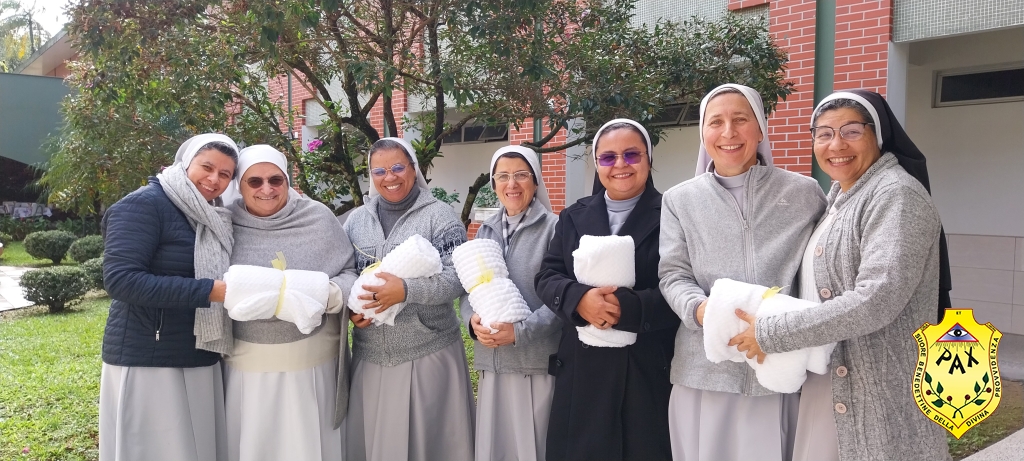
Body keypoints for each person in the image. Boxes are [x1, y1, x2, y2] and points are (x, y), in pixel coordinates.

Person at [729, 90, 952, 461]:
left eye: (851, 131)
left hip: (880, 393)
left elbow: (877, 299)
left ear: (878, 136)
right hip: (834, 381)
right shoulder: (840, 197)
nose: (836, 145)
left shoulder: (895, 195)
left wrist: (772, 333)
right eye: (824, 134)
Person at [658, 83, 827, 461]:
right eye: (715, 122)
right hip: (705, 370)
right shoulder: (680, 199)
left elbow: (817, 272)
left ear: (761, 128)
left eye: (740, 119)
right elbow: (673, 274)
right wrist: (703, 312)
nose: (728, 132)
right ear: (703, 133)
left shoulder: (804, 193)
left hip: (777, 366)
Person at [535, 119, 679, 461]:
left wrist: (626, 309)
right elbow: (547, 275)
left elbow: (683, 285)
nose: (620, 165)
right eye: (608, 157)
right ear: (597, 164)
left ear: (648, 159)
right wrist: (579, 300)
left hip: (645, 368)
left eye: (631, 155)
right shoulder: (573, 215)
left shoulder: (674, 214)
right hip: (582, 369)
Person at [99, 133, 238, 461]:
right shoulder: (145, 204)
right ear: (185, 163)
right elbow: (121, 280)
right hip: (150, 355)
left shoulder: (212, 215)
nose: (214, 179)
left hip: (198, 351)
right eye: (206, 167)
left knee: (196, 450)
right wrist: (210, 291)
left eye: (225, 174)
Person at [222, 145, 358, 461]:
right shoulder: (224, 224)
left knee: (309, 443)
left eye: (275, 180)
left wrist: (327, 294)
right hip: (246, 366)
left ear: (287, 180)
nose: (266, 189)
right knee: (254, 443)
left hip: (313, 364)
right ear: (240, 185)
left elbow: (350, 272)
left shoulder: (317, 217)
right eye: (254, 181)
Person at [343, 137, 474, 461]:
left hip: (428, 352)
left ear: (414, 169)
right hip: (371, 357)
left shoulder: (440, 216)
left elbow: (458, 277)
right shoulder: (356, 221)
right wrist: (351, 309)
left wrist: (405, 290)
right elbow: (345, 273)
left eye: (398, 167)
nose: (389, 177)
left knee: (430, 446)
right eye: (379, 171)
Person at [462, 145, 561, 461]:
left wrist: (520, 331)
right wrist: (472, 321)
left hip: (535, 362)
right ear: (493, 185)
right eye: (503, 176)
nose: (512, 184)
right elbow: (470, 288)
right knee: (496, 448)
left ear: (535, 181)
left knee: (534, 447)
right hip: (491, 362)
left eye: (521, 175)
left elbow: (562, 298)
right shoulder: (485, 230)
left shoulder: (555, 229)